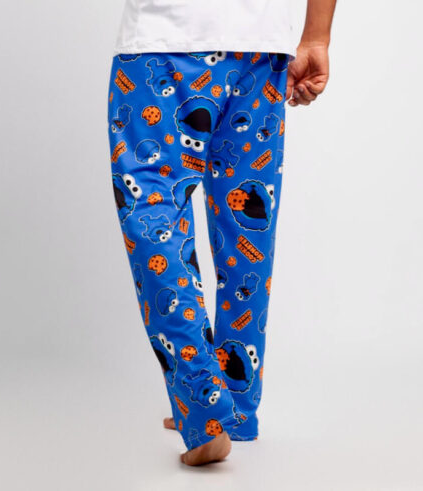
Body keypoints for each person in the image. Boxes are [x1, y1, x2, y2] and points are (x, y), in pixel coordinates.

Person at [107, 0, 336, 466]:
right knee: (247, 234)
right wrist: (316, 37)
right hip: (260, 48)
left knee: (152, 213)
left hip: (167, 38)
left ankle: (206, 411)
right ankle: (236, 405)